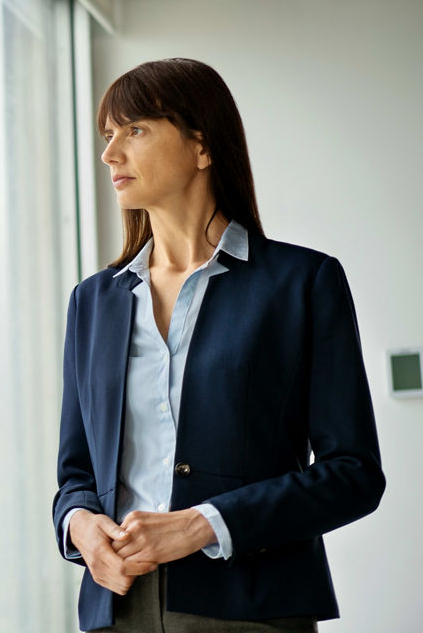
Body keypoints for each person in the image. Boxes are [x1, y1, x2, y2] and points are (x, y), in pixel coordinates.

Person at [51, 58, 386, 632]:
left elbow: (353, 473)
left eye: (134, 130)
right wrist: (79, 523)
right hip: (117, 608)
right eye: (108, 135)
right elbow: (76, 473)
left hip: (251, 607)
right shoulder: (94, 301)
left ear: (201, 146)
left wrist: (204, 523)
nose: (110, 154)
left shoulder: (302, 284)